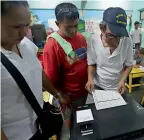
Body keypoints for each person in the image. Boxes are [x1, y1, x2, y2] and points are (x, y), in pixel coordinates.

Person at [1, 1, 67, 140]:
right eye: (16, 26)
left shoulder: (26, 45)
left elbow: (38, 72)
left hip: (40, 125)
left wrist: (56, 93)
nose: (24, 32)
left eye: (27, 25)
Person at [43, 3, 88, 116]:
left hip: (84, 92)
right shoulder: (52, 45)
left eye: (76, 25)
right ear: (58, 24)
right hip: (68, 98)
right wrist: (60, 95)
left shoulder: (81, 37)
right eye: (68, 27)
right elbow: (49, 78)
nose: (73, 30)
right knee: (70, 124)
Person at [86, 7, 133, 94]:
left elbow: (129, 64)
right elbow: (92, 63)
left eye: (119, 36)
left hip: (118, 86)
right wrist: (90, 79)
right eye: (110, 35)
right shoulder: (93, 40)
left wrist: (123, 80)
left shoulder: (127, 39)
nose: (115, 42)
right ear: (101, 28)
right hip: (97, 85)